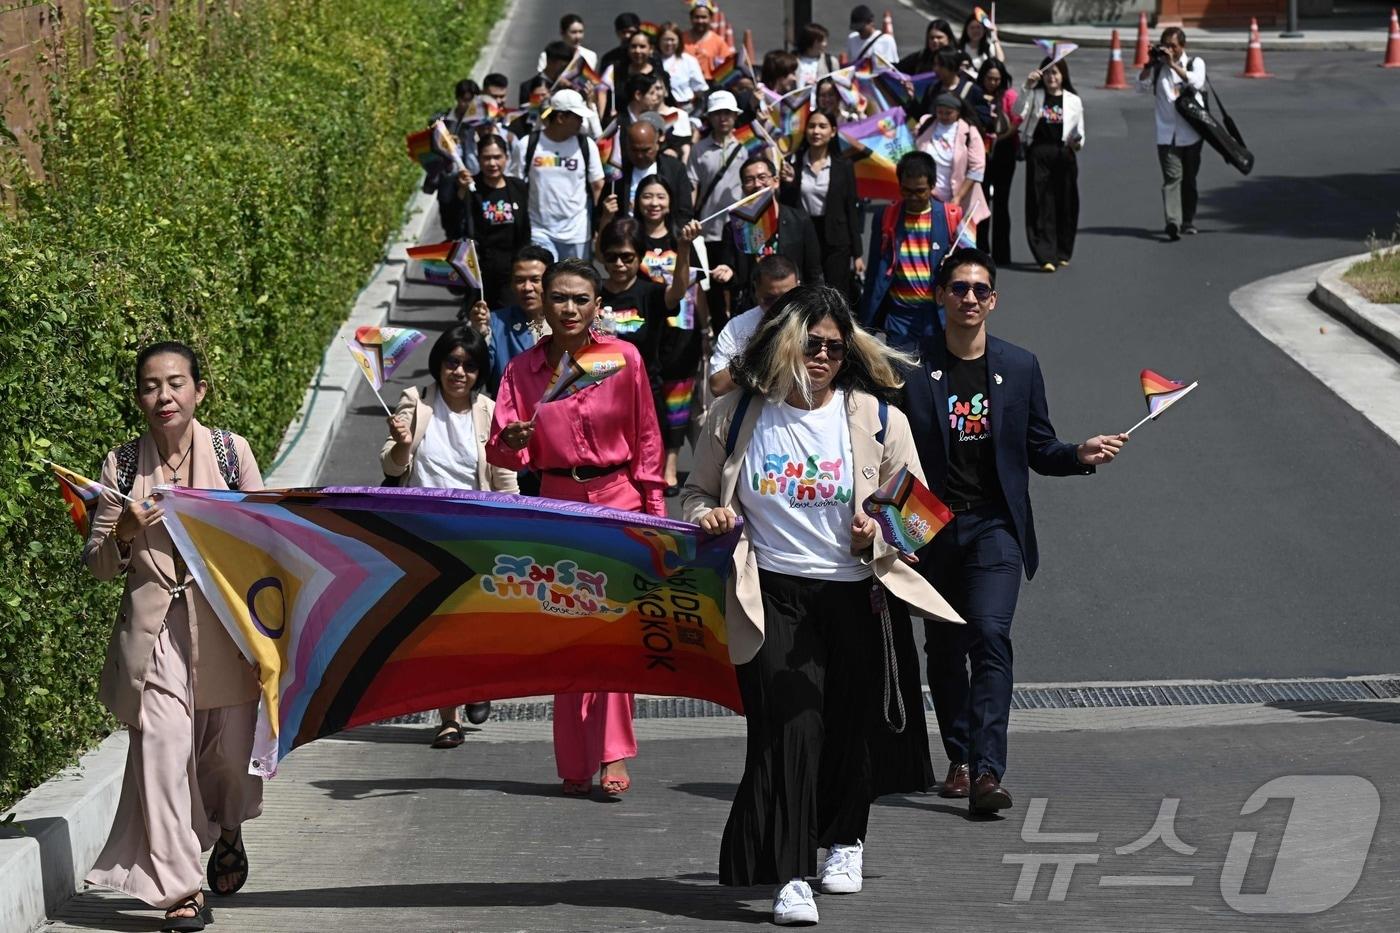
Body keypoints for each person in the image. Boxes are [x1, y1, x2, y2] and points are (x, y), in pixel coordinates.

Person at [683, 285, 961, 926]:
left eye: (836, 349)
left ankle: (845, 837)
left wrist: (879, 529)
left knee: (846, 725)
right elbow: (694, 494)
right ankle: (789, 876)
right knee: (789, 729)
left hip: (857, 593)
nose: (823, 358)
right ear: (784, 343)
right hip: (771, 593)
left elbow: (919, 515)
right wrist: (713, 514)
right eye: (812, 345)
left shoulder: (874, 415)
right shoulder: (736, 414)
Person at [901, 248, 1126, 814]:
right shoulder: (908, 369)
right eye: (958, 288)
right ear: (940, 297)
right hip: (929, 530)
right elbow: (886, 457)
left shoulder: (1019, 367)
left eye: (980, 290)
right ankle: (957, 759)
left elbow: (1038, 448)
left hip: (994, 526)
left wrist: (1079, 453)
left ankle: (986, 771)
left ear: (993, 299)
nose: (969, 298)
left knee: (991, 636)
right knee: (946, 649)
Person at [83, 342, 264, 932]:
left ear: (198, 391)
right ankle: (181, 889)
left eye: (176, 383)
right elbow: (100, 566)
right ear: (139, 398)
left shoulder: (232, 453)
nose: (163, 396)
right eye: (151, 386)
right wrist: (127, 530)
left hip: (226, 629)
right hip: (155, 633)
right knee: (162, 751)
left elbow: (266, 541)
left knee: (228, 762)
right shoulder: (122, 465)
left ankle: (228, 828)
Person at [487, 258, 668, 797]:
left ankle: (612, 752)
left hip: (619, 501)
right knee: (570, 633)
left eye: (580, 299)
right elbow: (501, 448)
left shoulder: (624, 359)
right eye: (559, 298)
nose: (569, 308)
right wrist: (514, 442)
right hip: (559, 505)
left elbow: (648, 438)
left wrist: (656, 517)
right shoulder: (522, 371)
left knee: (614, 633)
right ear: (541, 301)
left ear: (597, 306)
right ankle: (573, 759)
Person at [381, 327, 518, 746]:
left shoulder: (491, 411)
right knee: (439, 627)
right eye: (452, 363)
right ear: (438, 365)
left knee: (476, 624)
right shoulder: (415, 403)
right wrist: (402, 444)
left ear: (480, 372)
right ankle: (449, 718)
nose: (459, 372)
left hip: (480, 530)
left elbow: (504, 475)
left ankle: (479, 683)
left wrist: (518, 524)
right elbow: (391, 466)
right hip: (427, 531)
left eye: (470, 365)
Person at [596, 217, 698, 469]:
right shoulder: (592, 292)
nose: (619, 264)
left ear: (640, 257)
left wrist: (683, 249)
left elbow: (677, 292)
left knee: (646, 465)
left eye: (627, 257)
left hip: (644, 393)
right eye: (611, 257)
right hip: (599, 392)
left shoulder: (650, 293)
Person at [631, 178, 710, 491]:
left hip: (682, 330)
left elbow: (697, 286)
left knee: (678, 400)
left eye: (660, 196)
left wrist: (706, 328)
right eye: (646, 196)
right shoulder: (631, 236)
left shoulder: (686, 235)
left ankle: (671, 464)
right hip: (645, 330)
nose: (654, 203)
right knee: (646, 398)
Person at [858, 151, 962, 348]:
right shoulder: (885, 217)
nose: (913, 197)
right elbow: (874, 270)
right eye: (906, 190)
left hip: (935, 315)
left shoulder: (950, 217)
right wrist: (867, 319)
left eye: (920, 191)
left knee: (935, 374)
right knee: (900, 374)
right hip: (899, 316)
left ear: (932, 186)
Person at [716, 155, 824, 311]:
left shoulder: (799, 220)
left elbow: (814, 272)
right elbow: (733, 274)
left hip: (794, 307)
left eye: (762, 177)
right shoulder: (735, 227)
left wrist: (816, 309)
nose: (757, 184)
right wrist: (727, 273)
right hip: (753, 309)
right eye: (749, 180)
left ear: (775, 181)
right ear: (743, 188)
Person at [509, 90, 605, 262]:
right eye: (577, 117)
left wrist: (600, 225)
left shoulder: (586, 146)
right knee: (543, 284)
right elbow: (513, 185)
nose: (582, 122)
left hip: (577, 233)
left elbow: (598, 186)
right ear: (561, 118)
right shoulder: (527, 145)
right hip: (539, 231)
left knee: (574, 284)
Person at [778, 108, 862, 296]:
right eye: (812, 126)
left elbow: (851, 208)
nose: (816, 131)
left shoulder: (844, 166)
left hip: (836, 237)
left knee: (836, 291)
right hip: (804, 233)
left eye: (822, 126)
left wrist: (857, 253)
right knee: (807, 289)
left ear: (832, 132)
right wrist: (789, 183)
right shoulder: (794, 163)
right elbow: (786, 205)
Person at [1138, 27, 1206, 241]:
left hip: (1192, 134)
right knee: (1172, 178)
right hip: (1166, 134)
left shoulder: (1195, 63)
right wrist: (1149, 64)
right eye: (1166, 45)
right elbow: (1140, 87)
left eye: (1173, 46)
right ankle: (1173, 223)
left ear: (1182, 47)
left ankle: (1188, 220)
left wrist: (1173, 65)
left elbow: (1196, 82)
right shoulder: (1158, 68)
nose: (1169, 50)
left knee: (1189, 179)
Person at [1019, 57, 1084, 271]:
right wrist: (1027, 86)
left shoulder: (1073, 100)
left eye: (1055, 72)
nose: (1051, 77)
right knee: (1040, 202)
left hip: (1064, 153)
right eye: (1047, 73)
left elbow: (1080, 134)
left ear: (1063, 75)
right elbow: (1017, 112)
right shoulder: (1035, 96)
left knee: (1066, 202)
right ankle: (1044, 254)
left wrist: (1077, 141)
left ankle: (1063, 250)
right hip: (1039, 152)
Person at [468, 244, 552, 397]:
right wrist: (478, 335)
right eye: (520, 280)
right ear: (512, 285)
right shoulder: (495, 323)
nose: (527, 287)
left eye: (535, 280)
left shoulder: (568, 323)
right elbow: (478, 375)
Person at [708, 254, 799, 396]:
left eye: (787, 298)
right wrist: (761, 354)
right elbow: (718, 387)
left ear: (798, 286)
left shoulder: (816, 322)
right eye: (770, 299)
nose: (780, 307)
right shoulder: (737, 327)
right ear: (756, 289)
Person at [457, 134, 531, 308]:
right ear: (479, 159)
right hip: (482, 272)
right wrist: (461, 191)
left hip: (513, 271)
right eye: (486, 158)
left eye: (497, 157)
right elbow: (456, 218)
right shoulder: (470, 187)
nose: (492, 163)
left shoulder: (518, 187)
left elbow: (526, 228)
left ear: (506, 158)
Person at [915, 92, 990, 246]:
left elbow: (977, 168)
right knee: (931, 244)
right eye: (940, 112)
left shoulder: (969, 131)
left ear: (958, 112)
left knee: (962, 247)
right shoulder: (926, 124)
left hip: (960, 201)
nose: (943, 116)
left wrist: (958, 197)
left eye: (948, 113)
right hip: (930, 198)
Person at [601, 120, 694, 226]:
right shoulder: (617, 171)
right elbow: (603, 209)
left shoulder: (674, 169)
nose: (640, 156)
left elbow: (684, 211)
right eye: (634, 150)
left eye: (645, 150)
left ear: (657, 145)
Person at [975, 59, 1020, 264]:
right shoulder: (975, 94)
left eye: (997, 79)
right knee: (980, 202)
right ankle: (981, 249)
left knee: (1001, 203)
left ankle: (1002, 254)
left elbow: (1018, 119)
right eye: (989, 78)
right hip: (980, 154)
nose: (993, 83)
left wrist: (1000, 137)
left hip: (1004, 151)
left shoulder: (1009, 96)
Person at [916, 48, 993, 132]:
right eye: (935, 64)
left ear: (953, 66)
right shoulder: (932, 88)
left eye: (941, 65)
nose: (936, 69)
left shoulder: (972, 90)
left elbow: (984, 119)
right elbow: (922, 114)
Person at [658, 21, 708, 111]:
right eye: (665, 39)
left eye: (672, 40)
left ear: (679, 41)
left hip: (685, 109)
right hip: (659, 109)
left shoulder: (689, 61)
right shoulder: (652, 60)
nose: (669, 43)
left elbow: (700, 91)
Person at [684, 2, 733, 80]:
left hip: (709, 84)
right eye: (697, 17)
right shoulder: (681, 39)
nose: (700, 21)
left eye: (704, 17)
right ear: (691, 18)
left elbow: (728, 66)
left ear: (710, 18)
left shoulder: (718, 42)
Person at [521, 41, 574, 105]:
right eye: (562, 66)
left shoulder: (568, 86)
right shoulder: (527, 87)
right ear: (550, 61)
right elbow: (524, 113)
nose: (565, 70)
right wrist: (536, 102)